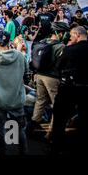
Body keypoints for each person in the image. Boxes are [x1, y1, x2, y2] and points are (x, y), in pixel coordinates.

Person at [0, 30, 28, 155]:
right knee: (18, 128)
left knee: (1, 127)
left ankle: (3, 152)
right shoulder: (19, 56)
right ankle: (21, 151)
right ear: (9, 41)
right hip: (16, 98)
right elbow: (26, 74)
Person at [51, 26, 88, 154]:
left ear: (77, 35)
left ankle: (56, 146)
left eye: (72, 36)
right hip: (85, 90)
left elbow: (58, 66)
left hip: (69, 88)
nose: (70, 38)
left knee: (60, 118)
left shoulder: (70, 50)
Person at [29, 22, 69, 135]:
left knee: (40, 101)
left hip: (39, 75)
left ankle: (31, 126)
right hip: (52, 77)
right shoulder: (61, 46)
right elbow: (61, 64)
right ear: (60, 34)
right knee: (57, 105)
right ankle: (51, 133)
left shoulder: (43, 41)